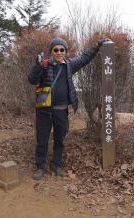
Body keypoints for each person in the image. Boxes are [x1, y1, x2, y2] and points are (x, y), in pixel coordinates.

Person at [28, 37, 105, 180]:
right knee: (42, 139)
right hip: (44, 111)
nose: (59, 52)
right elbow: (32, 80)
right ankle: (40, 166)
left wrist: (97, 45)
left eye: (62, 50)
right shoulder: (44, 65)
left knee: (59, 139)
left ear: (65, 51)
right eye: (55, 50)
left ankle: (56, 165)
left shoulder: (69, 65)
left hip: (61, 111)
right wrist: (37, 66)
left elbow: (84, 58)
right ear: (51, 51)